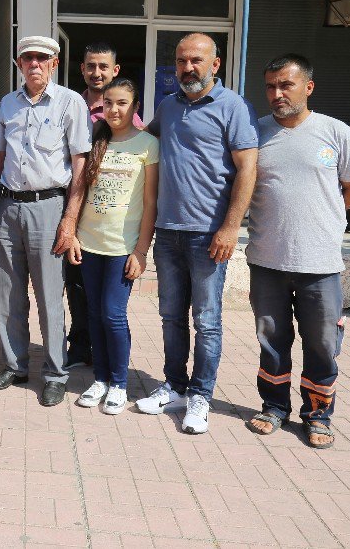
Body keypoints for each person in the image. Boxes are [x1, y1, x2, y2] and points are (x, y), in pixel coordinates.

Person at [137, 32, 258, 434]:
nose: (188, 68)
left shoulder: (233, 107)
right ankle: (174, 385)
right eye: (181, 61)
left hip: (209, 235)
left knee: (206, 320)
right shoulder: (168, 106)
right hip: (168, 232)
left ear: (215, 64)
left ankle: (201, 395)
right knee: (171, 315)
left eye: (196, 61)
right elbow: (143, 142)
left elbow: (247, 169)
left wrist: (230, 228)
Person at [244, 54, 350, 449]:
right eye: (270, 87)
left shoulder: (336, 132)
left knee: (323, 342)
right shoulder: (255, 133)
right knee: (272, 339)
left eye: (286, 85)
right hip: (267, 259)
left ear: (308, 87)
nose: (277, 94)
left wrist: (324, 219)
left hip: (320, 262)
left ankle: (318, 416)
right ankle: (274, 407)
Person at [0, 36, 91, 406]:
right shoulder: (7, 104)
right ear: (18, 63)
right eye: (27, 58)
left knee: (49, 296)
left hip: (49, 207)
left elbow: (80, 166)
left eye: (41, 59)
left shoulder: (70, 102)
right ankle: (15, 365)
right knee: (8, 293)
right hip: (8, 206)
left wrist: (69, 220)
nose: (34, 65)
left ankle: (55, 373)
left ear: (54, 62)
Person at [66, 78, 158, 415]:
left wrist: (140, 252)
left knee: (112, 314)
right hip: (89, 243)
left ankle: (119, 383)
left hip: (122, 248)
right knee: (92, 313)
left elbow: (150, 204)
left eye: (122, 103)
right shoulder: (94, 141)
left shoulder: (148, 144)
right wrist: (72, 233)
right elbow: (79, 191)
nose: (114, 109)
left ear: (134, 107)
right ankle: (101, 379)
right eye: (108, 103)